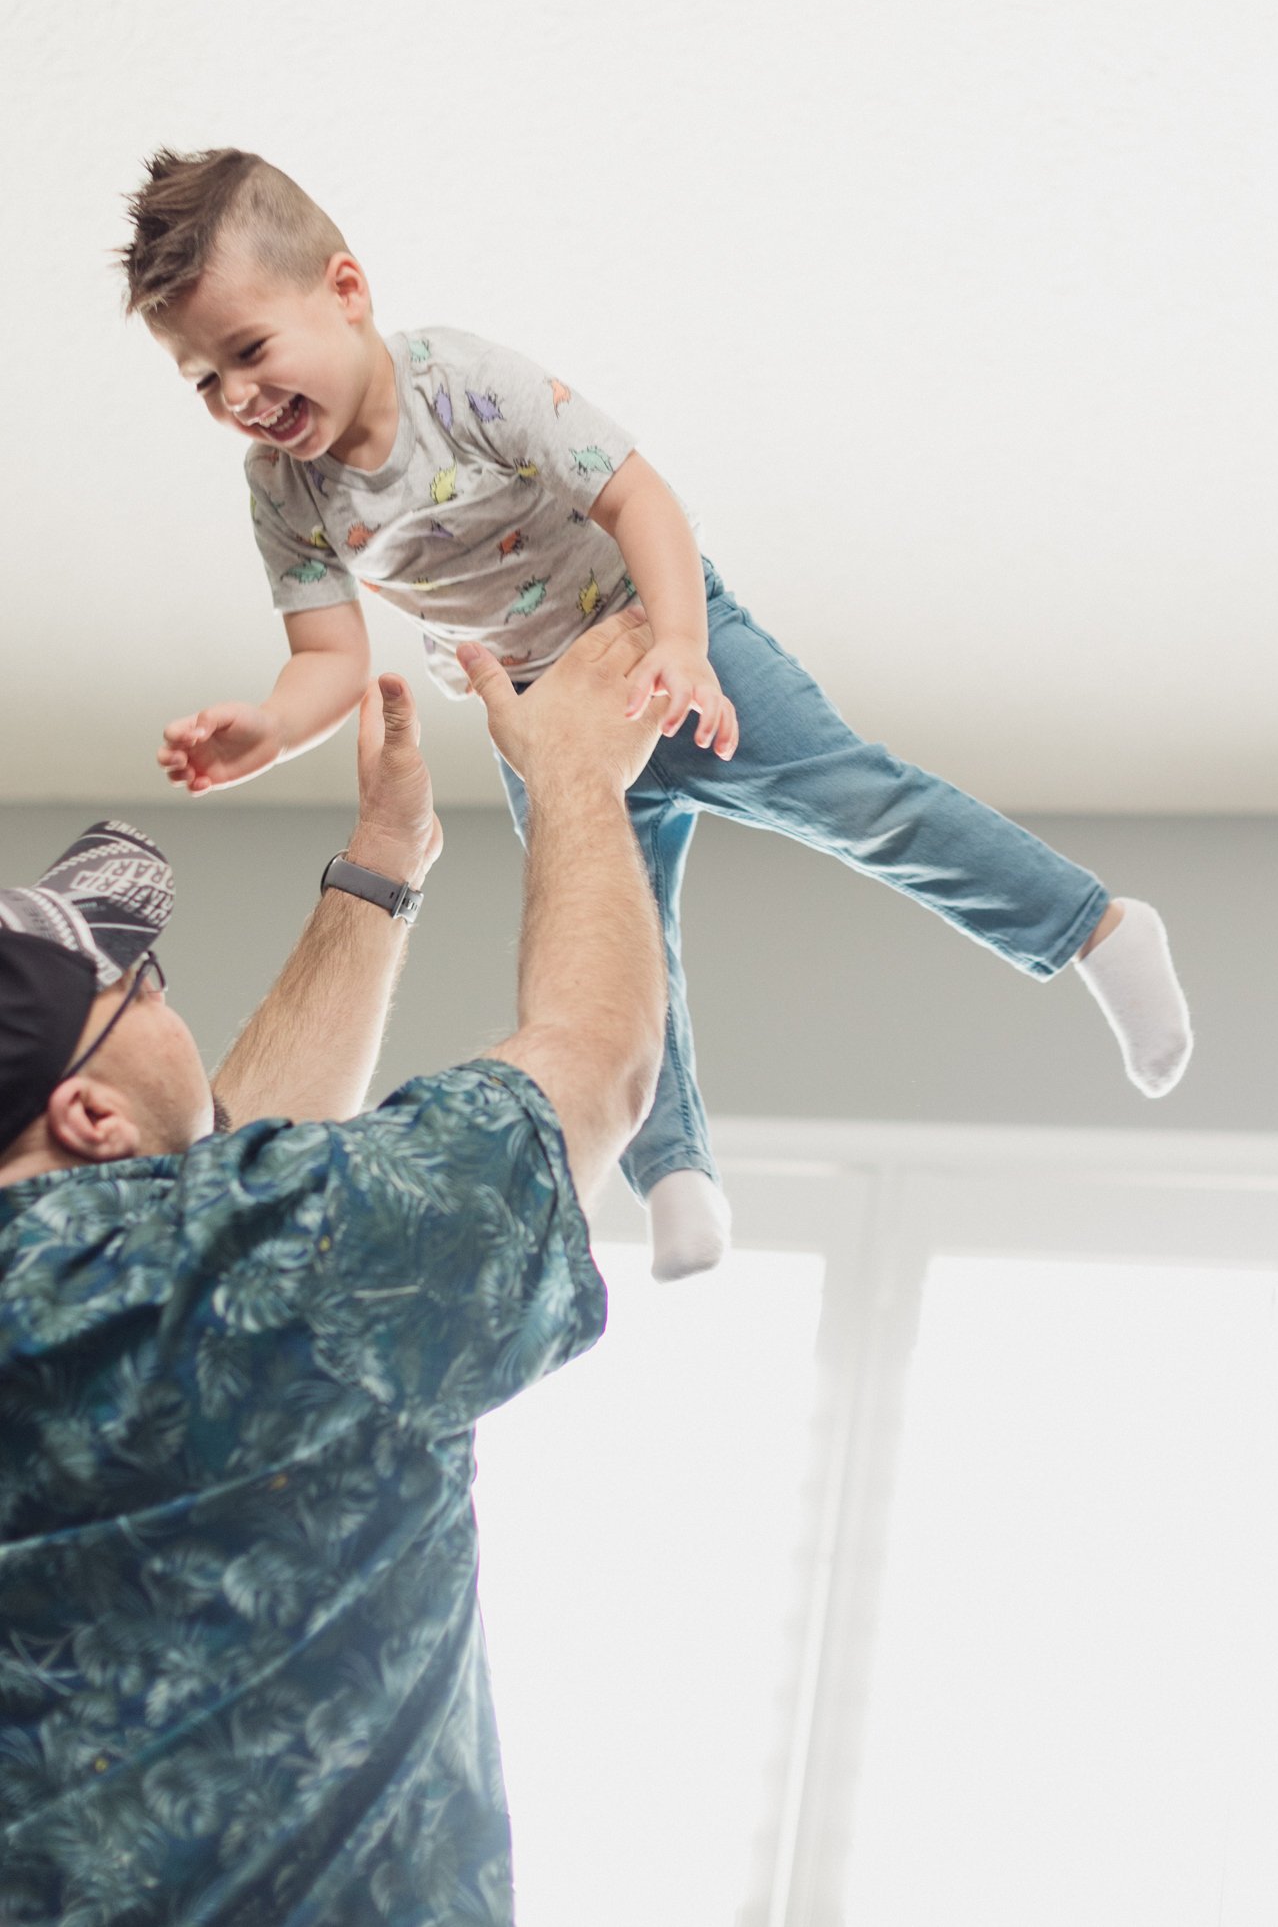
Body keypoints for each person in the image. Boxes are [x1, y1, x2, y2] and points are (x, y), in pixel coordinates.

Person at [119, 147, 1194, 1282]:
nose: (236, 398)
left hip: (657, 635)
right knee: (616, 943)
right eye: (202, 380)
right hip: (544, 715)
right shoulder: (280, 489)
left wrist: (683, 646)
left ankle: (1093, 928)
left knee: (856, 797)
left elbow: (637, 494)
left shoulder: (460, 382)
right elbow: (327, 653)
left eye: (248, 351)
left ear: (345, 291)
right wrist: (273, 727)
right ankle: (674, 1173)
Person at [0, 614, 668, 1927]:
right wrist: (577, 768)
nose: (163, 995)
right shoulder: (231, 1279)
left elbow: (237, 1188)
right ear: (84, 1116)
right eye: (143, 982)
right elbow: (593, 1069)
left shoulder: (146, 1289)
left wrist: (381, 869)